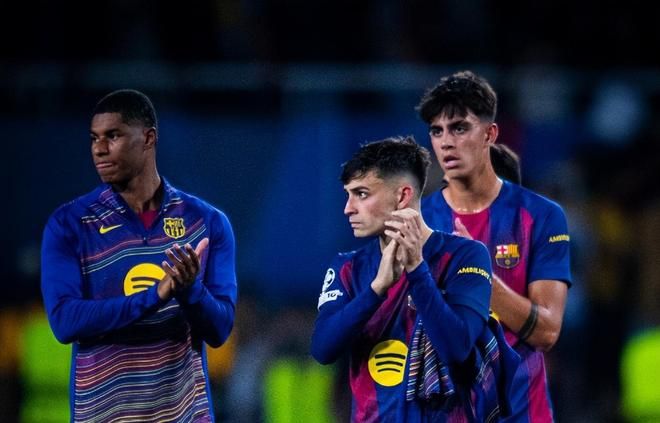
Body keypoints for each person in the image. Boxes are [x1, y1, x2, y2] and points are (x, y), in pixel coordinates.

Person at [41, 89, 237, 422]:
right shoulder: (70, 224)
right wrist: (155, 295)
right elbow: (64, 321)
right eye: (94, 138)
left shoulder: (207, 222)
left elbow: (220, 330)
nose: (99, 149)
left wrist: (190, 290)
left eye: (113, 136)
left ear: (148, 138)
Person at [311, 136, 523, 422]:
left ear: (402, 196)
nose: (348, 208)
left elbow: (458, 348)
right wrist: (376, 290)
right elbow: (322, 350)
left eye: (361, 194)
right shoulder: (348, 267)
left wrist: (417, 270)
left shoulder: (464, 256)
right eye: (348, 194)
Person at [418, 70, 572, 422]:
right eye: (437, 131)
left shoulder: (541, 216)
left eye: (459, 128)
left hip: (522, 413)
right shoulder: (416, 223)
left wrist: (477, 274)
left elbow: (548, 331)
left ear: (490, 134)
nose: (446, 142)